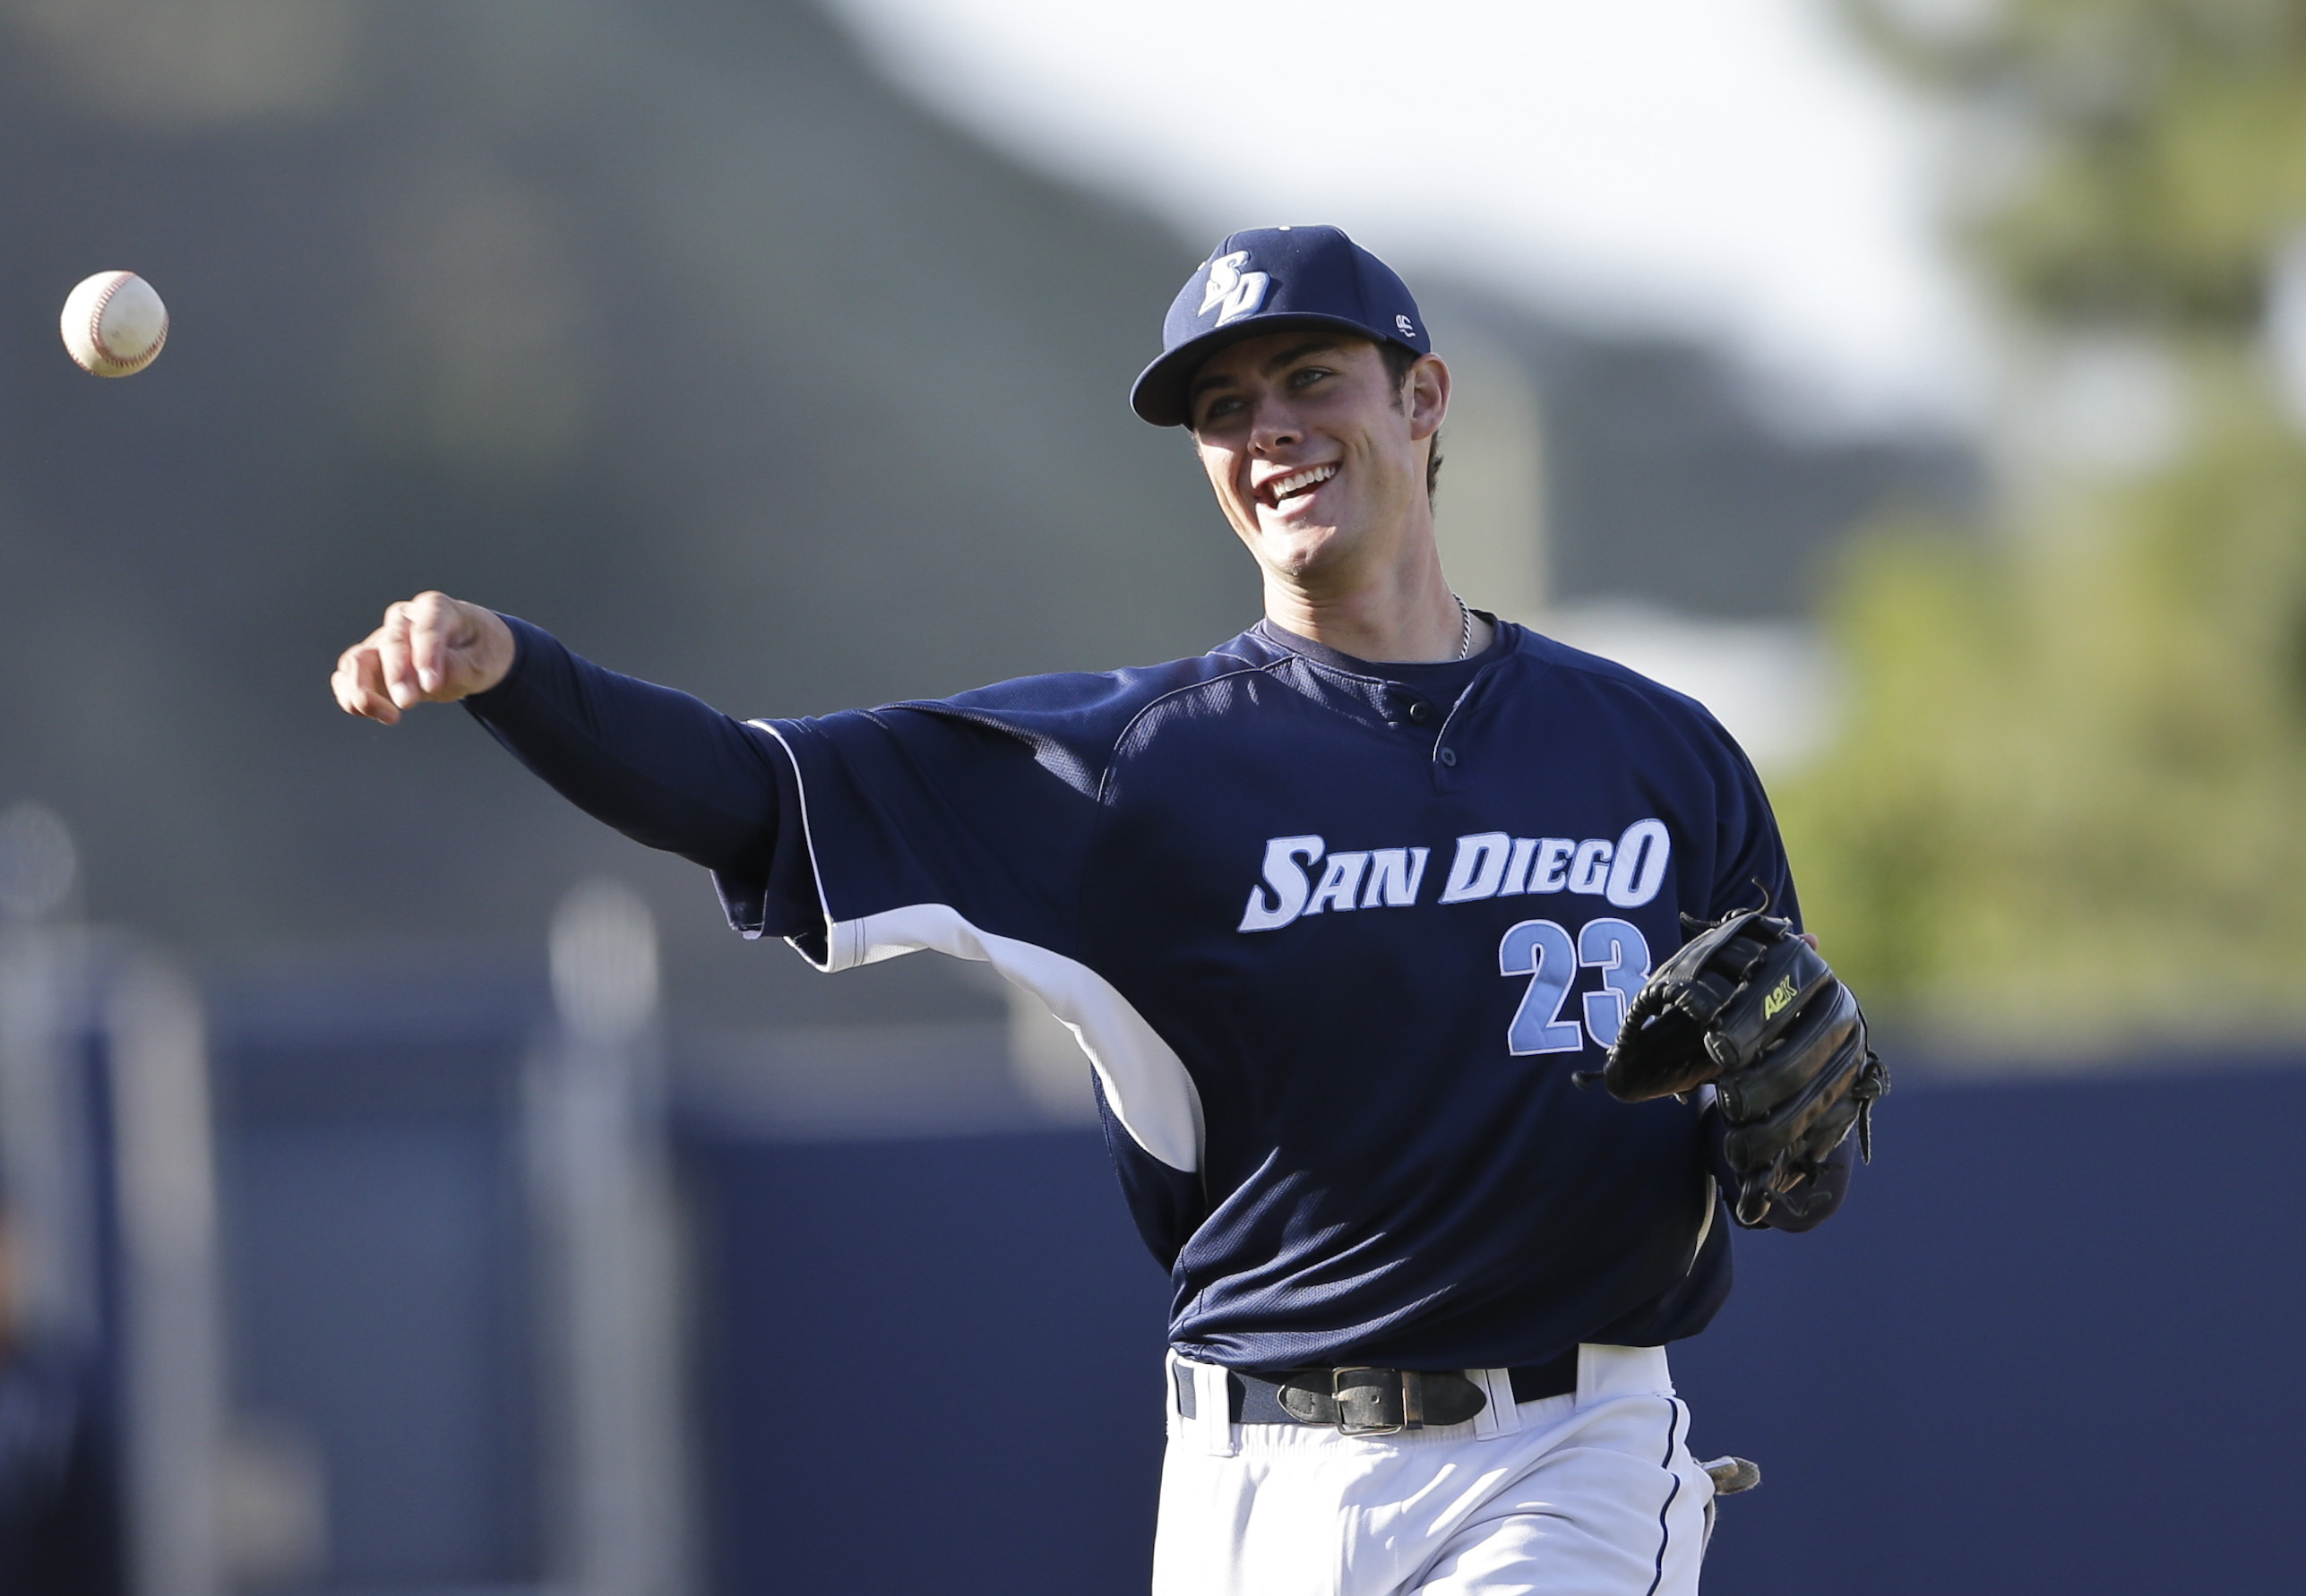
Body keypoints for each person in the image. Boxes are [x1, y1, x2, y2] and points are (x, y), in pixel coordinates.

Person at [332, 225, 1854, 1595]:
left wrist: (1785, 1129)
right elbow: (751, 790)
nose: (1268, 433)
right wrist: (513, 674)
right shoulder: (1130, 771)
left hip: (1558, 1454)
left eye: (1309, 377)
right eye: (1220, 411)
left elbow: (1792, 1112)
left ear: (1423, 398)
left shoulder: (1658, 751)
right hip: (1250, 1473)